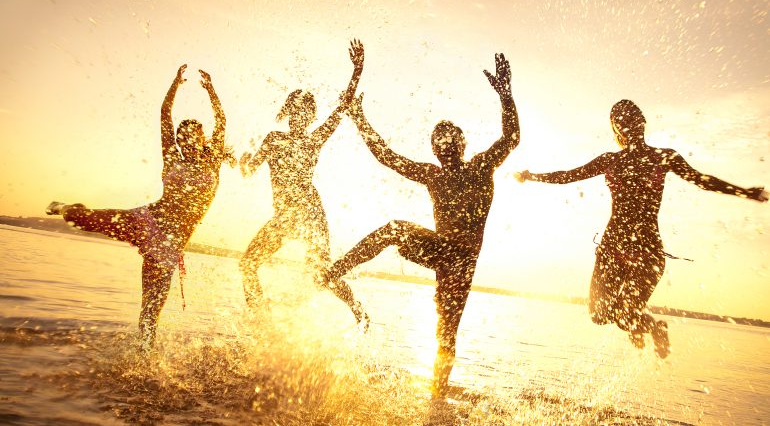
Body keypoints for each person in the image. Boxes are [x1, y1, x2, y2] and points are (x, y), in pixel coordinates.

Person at [326, 53, 520, 396]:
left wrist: (506, 94)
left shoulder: (480, 167)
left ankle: (437, 394)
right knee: (394, 228)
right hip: (441, 251)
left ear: (461, 144)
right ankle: (337, 269)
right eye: (438, 141)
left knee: (446, 332)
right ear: (433, 149)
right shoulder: (432, 174)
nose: (443, 144)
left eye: (449, 139)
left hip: (461, 262)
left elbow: (511, 138)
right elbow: (387, 156)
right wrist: (359, 119)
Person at [516, 99, 767, 357]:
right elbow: (569, 175)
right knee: (599, 315)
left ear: (642, 122)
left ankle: (652, 327)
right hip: (613, 248)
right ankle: (642, 325)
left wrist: (744, 192)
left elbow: (701, 180)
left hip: (647, 253)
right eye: (621, 121)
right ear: (617, 130)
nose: (628, 124)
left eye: (632, 117)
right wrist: (533, 176)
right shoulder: (610, 160)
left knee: (625, 317)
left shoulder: (664, 157)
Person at [46, 65, 232, 351]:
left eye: (192, 137)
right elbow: (164, 116)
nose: (186, 142)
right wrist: (174, 86)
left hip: (167, 249)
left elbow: (222, 120)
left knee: (149, 315)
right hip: (145, 221)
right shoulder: (172, 159)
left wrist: (211, 91)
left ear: (202, 138)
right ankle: (64, 208)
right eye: (182, 139)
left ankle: (143, 364)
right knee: (87, 220)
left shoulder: (212, 164)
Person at [239, 40, 367, 324]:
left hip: (310, 216)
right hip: (285, 217)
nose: (298, 117)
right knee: (248, 264)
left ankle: (358, 311)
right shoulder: (273, 140)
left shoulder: (314, 141)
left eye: (304, 113)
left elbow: (342, 108)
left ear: (310, 117)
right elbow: (249, 172)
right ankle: (262, 322)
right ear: (287, 112)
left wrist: (357, 70)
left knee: (320, 275)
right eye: (294, 111)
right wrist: (242, 161)